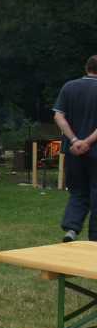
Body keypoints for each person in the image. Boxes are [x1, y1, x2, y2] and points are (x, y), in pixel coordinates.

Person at [53, 55, 97, 242]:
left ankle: (71, 229)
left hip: (73, 151)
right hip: (95, 150)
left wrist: (74, 140)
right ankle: (95, 237)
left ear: (87, 67)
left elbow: (58, 116)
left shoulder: (69, 87)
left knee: (78, 191)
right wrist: (87, 142)